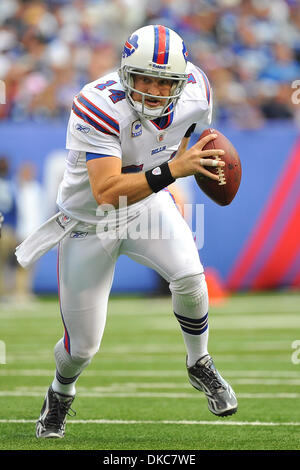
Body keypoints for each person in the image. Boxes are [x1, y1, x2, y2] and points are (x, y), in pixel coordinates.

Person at [16, 25, 237, 439]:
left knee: (191, 276)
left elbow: (194, 140)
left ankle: (199, 362)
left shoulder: (198, 92)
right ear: (124, 73)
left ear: (182, 79)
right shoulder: (96, 104)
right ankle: (60, 393)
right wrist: (175, 169)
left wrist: (206, 164)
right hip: (89, 221)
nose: (153, 90)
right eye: (144, 78)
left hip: (146, 205)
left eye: (163, 80)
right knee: (81, 348)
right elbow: (106, 192)